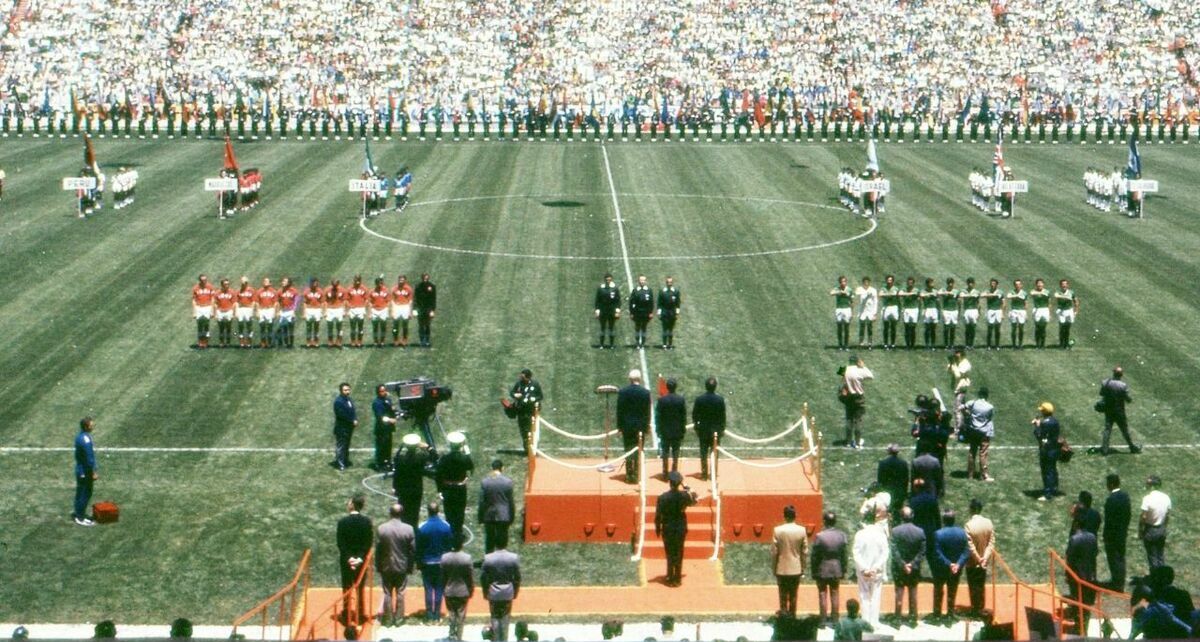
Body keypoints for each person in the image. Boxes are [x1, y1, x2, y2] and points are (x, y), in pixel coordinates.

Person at [655, 470, 698, 587]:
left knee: (669, 553)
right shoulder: (684, 496)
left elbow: (658, 515)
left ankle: (670, 576)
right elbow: (695, 498)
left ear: (669, 482)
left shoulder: (663, 497)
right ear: (679, 483)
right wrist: (686, 486)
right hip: (680, 527)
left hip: (668, 527)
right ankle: (677, 578)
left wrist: (658, 529)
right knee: (679, 552)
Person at [376, 503, 416, 627]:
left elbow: (378, 550)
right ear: (401, 513)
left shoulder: (382, 528)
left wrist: (378, 566)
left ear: (390, 513)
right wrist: (410, 567)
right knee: (400, 592)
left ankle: (388, 620)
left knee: (387, 592)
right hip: (402, 566)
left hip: (386, 566)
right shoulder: (408, 529)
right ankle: (399, 619)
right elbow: (412, 550)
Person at [337, 495, 374, 625]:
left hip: (346, 561)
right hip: (360, 561)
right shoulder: (366, 522)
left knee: (346, 588)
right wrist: (359, 558)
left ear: (352, 505)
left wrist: (349, 558)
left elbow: (341, 543)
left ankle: (346, 614)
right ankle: (360, 614)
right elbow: (368, 543)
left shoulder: (342, 522)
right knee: (360, 588)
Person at [416, 501, 454, 621]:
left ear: (428, 511)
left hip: (427, 562)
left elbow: (419, 547)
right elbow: (449, 545)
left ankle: (429, 615)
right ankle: (437, 615)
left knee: (428, 589)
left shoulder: (422, 527)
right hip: (441, 562)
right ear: (438, 511)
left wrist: (419, 562)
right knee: (439, 589)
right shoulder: (446, 526)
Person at [436, 432, 474, 545]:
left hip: (447, 488)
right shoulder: (464, 458)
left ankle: (450, 533)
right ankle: (458, 534)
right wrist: (467, 452)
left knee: (449, 512)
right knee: (460, 512)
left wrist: (439, 490)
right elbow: (471, 467)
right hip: (460, 489)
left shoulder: (444, 458)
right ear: (461, 445)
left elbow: (438, 475)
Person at [811, 511, 849, 624]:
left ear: (824, 521)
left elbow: (814, 556)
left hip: (822, 569)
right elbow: (844, 555)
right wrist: (844, 569)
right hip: (836, 568)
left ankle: (822, 620)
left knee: (822, 594)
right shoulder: (841, 535)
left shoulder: (820, 536)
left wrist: (814, 571)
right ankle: (835, 620)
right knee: (835, 593)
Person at [771, 505, 808, 616]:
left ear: (784, 516)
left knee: (782, 596)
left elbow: (774, 552)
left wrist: (774, 567)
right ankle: (792, 617)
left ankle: (783, 617)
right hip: (796, 568)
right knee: (793, 595)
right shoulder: (802, 530)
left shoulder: (777, 530)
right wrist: (803, 567)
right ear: (795, 516)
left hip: (781, 568)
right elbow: (804, 552)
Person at [932, 510, 969, 620]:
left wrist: (949, 564)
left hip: (942, 568)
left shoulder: (938, 534)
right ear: (954, 520)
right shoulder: (962, 533)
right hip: (956, 569)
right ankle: (950, 614)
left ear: (944, 520)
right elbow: (966, 551)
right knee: (952, 591)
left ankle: (937, 614)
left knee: (939, 590)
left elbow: (937, 552)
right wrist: (958, 564)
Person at [853, 518, 890, 627]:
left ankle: (865, 622)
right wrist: (875, 567)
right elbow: (885, 553)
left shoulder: (860, 534)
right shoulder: (881, 535)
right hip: (876, 572)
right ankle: (874, 622)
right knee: (875, 596)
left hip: (863, 572)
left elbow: (856, 553)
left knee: (864, 596)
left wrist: (864, 568)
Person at [480, 543, 521, 641]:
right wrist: (515, 592)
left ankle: (496, 639)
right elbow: (517, 578)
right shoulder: (513, 558)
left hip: (493, 593)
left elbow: (483, 578)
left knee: (494, 617)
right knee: (505, 618)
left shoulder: (488, 558)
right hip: (507, 593)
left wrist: (485, 593)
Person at [891, 507, 926, 622]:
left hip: (899, 568)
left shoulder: (895, 531)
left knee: (899, 593)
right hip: (914, 568)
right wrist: (912, 564)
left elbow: (894, 551)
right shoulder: (920, 532)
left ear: (901, 517)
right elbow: (922, 551)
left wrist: (903, 564)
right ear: (912, 516)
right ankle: (912, 618)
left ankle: (897, 618)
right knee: (913, 592)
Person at [616, 368, 651, 483]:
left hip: (627, 426)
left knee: (628, 449)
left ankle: (629, 474)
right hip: (640, 426)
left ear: (630, 379)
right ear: (639, 379)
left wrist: (619, 427)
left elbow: (620, 411)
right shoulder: (645, 393)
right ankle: (636, 474)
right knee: (638, 450)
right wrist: (647, 426)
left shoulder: (623, 392)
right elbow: (647, 412)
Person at [1065, 514, 1099, 628]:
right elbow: (1095, 552)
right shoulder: (1092, 537)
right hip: (1091, 575)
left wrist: (1067, 574)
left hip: (1077, 575)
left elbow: (1070, 558)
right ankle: (1085, 624)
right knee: (1087, 603)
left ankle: (1078, 625)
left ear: (1076, 524)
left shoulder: (1074, 539)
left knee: (1077, 599)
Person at [964, 499, 996, 616]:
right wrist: (984, 558)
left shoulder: (968, 525)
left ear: (971, 509)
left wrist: (978, 559)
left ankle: (975, 609)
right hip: (984, 561)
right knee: (981, 584)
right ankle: (980, 608)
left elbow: (970, 546)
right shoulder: (988, 523)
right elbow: (991, 543)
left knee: (973, 586)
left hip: (972, 562)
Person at [1099, 366, 1140, 455]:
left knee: (1107, 429)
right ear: (1121, 375)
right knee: (1124, 430)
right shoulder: (1123, 385)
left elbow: (1101, 393)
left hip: (1108, 410)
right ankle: (1132, 447)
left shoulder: (1106, 382)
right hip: (1119, 411)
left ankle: (1104, 449)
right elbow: (1127, 399)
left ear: (1113, 373)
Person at [692, 376, 726, 480]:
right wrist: (721, 429)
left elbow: (695, 415)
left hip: (703, 430)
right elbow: (722, 417)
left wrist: (697, 426)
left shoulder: (699, 399)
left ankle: (704, 474)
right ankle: (713, 474)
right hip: (715, 431)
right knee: (715, 453)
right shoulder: (720, 400)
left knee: (703, 453)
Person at [392, 434, 429, 528]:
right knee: (415, 511)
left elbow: (396, 474)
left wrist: (395, 487)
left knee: (403, 511)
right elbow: (432, 457)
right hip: (416, 488)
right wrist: (426, 448)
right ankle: (413, 528)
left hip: (403, 488)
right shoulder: (420, 458)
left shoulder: (400, 459)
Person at [479, 459, 515, 554]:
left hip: (489, 514)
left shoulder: (485, 482)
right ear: (502, 468)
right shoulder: (508, 482)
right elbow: (510, 501)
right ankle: (502, 558)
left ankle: (489, 558)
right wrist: (512, 516)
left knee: (489, 539)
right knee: (502, 539)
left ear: (492, 468)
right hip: (503, 514)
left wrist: (480, 517)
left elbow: (482, 501)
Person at [441, 538, 474, 641]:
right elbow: (470, 577)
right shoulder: (467, 558)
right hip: (462, 591)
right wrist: (471, 589)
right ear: (462, 544)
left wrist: (444, 588)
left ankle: (451, 635)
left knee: (451, 613)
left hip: (449, 590)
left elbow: (443, 576)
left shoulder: (445, 558)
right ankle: (459, 636)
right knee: (461, 614)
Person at [1103, 473, 1131, 590]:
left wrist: (1106, 535)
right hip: (1122, 533)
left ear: (1111, 484)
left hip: (1112, 535)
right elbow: (1128, 515)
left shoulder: (1111, 500)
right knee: (1121, 557)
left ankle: (1116, 582)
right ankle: (1120, 581)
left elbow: (1108, 520)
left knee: (1113, 559)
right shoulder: (1125, 496)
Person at [961, 387, 995, 481]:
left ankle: (970, 474)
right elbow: (990, 418)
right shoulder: (990, 407)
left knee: (972, 452)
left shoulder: (973, 403)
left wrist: (967, 415)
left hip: (973, 431)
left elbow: (961, 408)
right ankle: (984, 475)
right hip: (984, 432)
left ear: (979, 394)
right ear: (987, 395)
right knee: (983, 453)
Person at [654, 378, 686, 477]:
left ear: (667, 387)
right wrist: (683, 430)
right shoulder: (680, 400)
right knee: (676, 452)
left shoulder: (661, 400)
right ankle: (674, 471)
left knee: (665, 452)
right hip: (677, 431)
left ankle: (665, 472)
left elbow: (658, 417)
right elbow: (683, 417)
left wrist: (658, 430)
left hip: (665, 431)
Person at [841, 355, 873, 448]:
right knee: (858, 420)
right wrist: (863, 367)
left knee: (849, 419)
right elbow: (871, 376)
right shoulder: (860, 370)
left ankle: (848, 441)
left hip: (848, 397)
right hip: (858, 397)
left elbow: (840, 375)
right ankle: (858, 442)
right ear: (857, 362)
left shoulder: (843, 368)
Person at [1139, 475, 1171, 570]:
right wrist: (1164, 527)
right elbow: (1167, 515)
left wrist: (1140, 530)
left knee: (1152, 555)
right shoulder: (1166, 498)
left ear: (1152, 486)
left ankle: (1155, 576)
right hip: (1161, 528)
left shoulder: (1147, 498)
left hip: (1150, 529)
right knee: (1160, 554)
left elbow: (1144, 516)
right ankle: (1162, 575)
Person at [508, 369, 543, 452]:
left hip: (531, 411)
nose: (521, 379)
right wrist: (515, 395)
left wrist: (533, 399)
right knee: (523, 429)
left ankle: (532, 446)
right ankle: (526, 446)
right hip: (521, 411)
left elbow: (540, 396)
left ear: (528, 377)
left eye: (523, 377)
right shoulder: (519, 384)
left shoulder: (535, 384)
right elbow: (512, 392)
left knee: (532, 429)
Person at [73, 417, 98, 526]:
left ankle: (78, 513)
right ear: (86, 426)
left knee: (80, 493)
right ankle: (80, 517)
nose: (93, 427)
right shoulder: (86, 440)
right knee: (85, 493)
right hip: (85, 471)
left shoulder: (80, 437)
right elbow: (89, 459)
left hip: (80, 470)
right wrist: (93, 472)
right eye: (91, 425)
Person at [1032, 402, 1060, 501]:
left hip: (1047, 450)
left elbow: (1039, 435)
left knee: (1046, 471)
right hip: (1055, 449)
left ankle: (1048, 493)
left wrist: (1037, 426)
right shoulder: (1055, 421)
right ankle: (1054, 488)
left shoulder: (1045, 423)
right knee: (1052, 469)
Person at [876, 444, 909, 516]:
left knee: (887, 509)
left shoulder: (883, 463)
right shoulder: (903, 463)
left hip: (887, 490)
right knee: (897, 510)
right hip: (899, 490)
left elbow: (880, 479)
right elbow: (906, 479)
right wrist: (904, 491)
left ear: (888, 452)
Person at [331, 383, 357, 470]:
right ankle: (340, 463)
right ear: (341, 391)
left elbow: (353, 411)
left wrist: (355, 418)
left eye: (348, 390)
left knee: (347, 445)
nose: (347, 391)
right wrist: (352, 420)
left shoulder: (349, 399)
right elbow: (341, 415)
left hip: (349, 427)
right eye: (345, 390)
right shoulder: (338, 402)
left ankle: (345, 460)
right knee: (341, 446)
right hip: (342, 428)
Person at [372, 385, 398, 472]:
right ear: (378, 392)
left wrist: (394, 410)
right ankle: (380, 464)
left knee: (388, 446)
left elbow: (392, 409)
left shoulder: (387, 400)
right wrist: (391, 420)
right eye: (382, 391)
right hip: (381, 429)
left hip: (388, 428)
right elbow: (380, 417)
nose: (384, 392)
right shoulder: (376, 403)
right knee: (381, 447)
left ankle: (387, 462)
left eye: (384, 390)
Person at [593, 272, 621, 349]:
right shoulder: (600, 288)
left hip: (612, 311)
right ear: (604, 280)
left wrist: (617, 311)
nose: (608, 281)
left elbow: (618, 301)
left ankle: (611, 344)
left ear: (611, 280)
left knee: (611, 327)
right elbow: (597, 301)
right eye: (607, 280)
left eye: (609, 280)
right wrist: (597, 311)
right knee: (602, 327)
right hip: (603, 311)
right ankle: (601, 344)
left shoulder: (615, 288)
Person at [947, 349, 972, 432]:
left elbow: (958, 375)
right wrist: (951, 364)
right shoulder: (955, 362)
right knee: (963, 408)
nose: (955, 354)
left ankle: (958, 429)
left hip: (962, 387)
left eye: (957, 353)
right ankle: (966, 425)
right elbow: (949, 372)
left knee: (957, 408)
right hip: (957, 387)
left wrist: (953, 364)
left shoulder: (965, 364)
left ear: (962, 354)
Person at [628, 274, 654, 348]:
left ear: (645, 281)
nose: (642, 281)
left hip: (646, 312)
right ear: (638, 281)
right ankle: (637, 342)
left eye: (643, 280)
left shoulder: (649, 290)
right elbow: (631, 302)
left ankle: (642, 342)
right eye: (641, 280)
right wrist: (632, 312)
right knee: (637, 327)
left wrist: (651, 312)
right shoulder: (635, 290)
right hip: (637, 312)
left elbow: (651, 302)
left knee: (644, 328)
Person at [656, 276, 681, 349]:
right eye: (668, 282)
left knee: (670, 329)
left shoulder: (676, 292)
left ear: (672, 283)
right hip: (664, 313)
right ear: (666, 283)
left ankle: (670, 344)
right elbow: (659, 303)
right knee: (664, 329)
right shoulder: (662, 291)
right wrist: (659, 313)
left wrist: (677, 313)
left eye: (670, 282)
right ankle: (664, 344)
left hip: (672, 313)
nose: (669, 284)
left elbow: (678, 303)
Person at [1054, 279, 1080, 348]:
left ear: (1068, 285)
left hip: (1069, 311)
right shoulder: (1058, 292)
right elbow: (1056, 296)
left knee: (1067, 328)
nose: (1064, 285)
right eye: (1062, 284)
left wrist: (1076, 311)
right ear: (1060, 285)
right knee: (1062, 328)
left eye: (1065, 284)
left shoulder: (1071, 292)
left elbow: (1076, 301)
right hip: (1061, 311)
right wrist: (1067, 297)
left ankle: (1066, 343)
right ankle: (1061, 343)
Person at [191, 274, 215, 348]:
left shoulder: (210, 287)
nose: (204, 281)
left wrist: (212, 310)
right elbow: (194, 300)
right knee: (200, 325)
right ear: (199, 280)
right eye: (202, 280)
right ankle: (200, 342)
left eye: (205, 280)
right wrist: (194, 312)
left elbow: (212, 299)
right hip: (199, 307)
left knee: (206, 324)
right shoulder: (195, 288)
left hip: (207, 307)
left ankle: (206, 342)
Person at [413, 273, 436, 347]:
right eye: (424, 278)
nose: (425, 280)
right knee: (421, 325)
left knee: (427, 325)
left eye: (426, 278)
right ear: (422, 278)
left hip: (428, 308)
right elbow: (415, 298)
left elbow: (433, 299)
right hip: (420, 308)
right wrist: (414, 309)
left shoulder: (432, 286)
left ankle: (427, 340)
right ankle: (422, 340)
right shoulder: (418, 286)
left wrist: (432, 310)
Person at [390, 274, 414, 347]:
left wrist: (410, 311)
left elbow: (410, 300)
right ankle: (395, 340)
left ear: (405, 280)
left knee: (405, 324)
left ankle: (404, 339)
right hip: (397, 306)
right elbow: (392, 300)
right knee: (395, 325)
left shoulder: (408, 289)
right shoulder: (394, 288)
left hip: (405, 306)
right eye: (400, 280)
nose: (401, 281)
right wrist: (392, 311)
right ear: (398, 280)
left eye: (402, 280)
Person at [855, 276, 878, 348]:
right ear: (863, 282)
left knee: (869, 327)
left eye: (867, 282)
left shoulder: (873, 290)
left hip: (870, 311)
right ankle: (861, 342)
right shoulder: (859, 289)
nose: (866, 283)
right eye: (865, 282)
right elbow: (857, 294)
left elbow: (875, 301)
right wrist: (866, 294)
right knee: (862, 326)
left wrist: (874, 313)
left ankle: (870, 343)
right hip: (862, 311)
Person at [830, 275, 853, 350]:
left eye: (844, 281)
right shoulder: (837, 288)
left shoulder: (849, 289)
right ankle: (840, 345)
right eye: (842, 282)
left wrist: (852, 312)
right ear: (839, 282)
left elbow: (852, 300)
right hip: (839, 309)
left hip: (847, 309)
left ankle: (846, 345)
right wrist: (839, 292)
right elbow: (831, 293)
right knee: (839, 327)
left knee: (846, 327)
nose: (843, 283)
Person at [346, 275, 369, 348]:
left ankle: (359, 342)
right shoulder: (349, 289)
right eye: (356, 280)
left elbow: (367, 300)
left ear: (360, 280)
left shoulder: (364, 288)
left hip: (360, 309)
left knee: (360, 326)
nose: (357, 282)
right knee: (352, 326)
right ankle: (353, 342)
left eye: (358, 280)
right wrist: (349, 306)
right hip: (352, 309)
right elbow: (346, 300)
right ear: (354, 280)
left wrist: (363, 307)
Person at [255, 277, 278, 348]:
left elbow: (275, 303)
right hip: (262, 310)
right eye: (264, 281)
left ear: (270, 283)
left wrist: (274, 311)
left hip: (270, 309)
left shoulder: (274, 291)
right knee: (262, 326)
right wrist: (257, 311)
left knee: (270, 326)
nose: (265, 282)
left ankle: (269, 342)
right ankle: (263, 342)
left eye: (267, 281)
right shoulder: (259, 291)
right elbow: (257, 302)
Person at [981, 279, 1004, 350]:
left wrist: (1002, 313)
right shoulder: (988, 291)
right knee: (990, 328)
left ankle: (997, 345)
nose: (992, 285)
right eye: (991, 283)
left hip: (998, 310)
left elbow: (1003, 302)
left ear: (997, 284)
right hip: (990, 310)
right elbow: (982, 295)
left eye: (994, 283)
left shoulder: (1000, 292)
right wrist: (992, 295)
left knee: (997, 329)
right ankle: (988, 345)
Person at [369, 277, 392, 347]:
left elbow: (388, 301)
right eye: (378, 283)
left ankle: (382, 341)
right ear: (375, 284)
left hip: (383, 310)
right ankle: (375, 342)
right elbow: (370, 302)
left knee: (383, 326)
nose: (379, 285)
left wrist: (386, 309)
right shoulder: (372, 291)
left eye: (380, 283)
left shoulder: (386, 291)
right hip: (374, 310)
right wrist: (370, 312)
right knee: (375, 327)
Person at [235, 276, 257, 348]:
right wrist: (236, 311)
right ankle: (241, 342)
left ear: (247, 282)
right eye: (242, 282)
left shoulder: (251, 290)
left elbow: (253, 301)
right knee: (240, 324)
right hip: (241, 308)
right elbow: (236, 302)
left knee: (249, 324)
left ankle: (249, 341)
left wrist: (252, 310)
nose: (243, 283)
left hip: (248, 308)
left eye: (245, 282)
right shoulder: (238, 291)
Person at [324, 279, 347, 347]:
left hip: (339, 309)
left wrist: (344, 310)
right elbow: (325, 301)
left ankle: (339, 341)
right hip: (330, 309)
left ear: (338, 284)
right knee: (330, 326)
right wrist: (325, 311)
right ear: (331, 284)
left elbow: (344, 301)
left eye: (336, 285)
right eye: (333, 285)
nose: (334, 286)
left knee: (339, 326)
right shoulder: (327, 290)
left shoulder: (342, 290)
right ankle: (330, 341)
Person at [879, 274, 900, 350]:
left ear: (893, 281)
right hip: (886, 307)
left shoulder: (896, 288)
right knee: (886, 327)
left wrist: (886, 295)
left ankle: (893, 344)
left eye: (890, 280)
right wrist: (890, 294)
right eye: (888, 280)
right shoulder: (883, 288)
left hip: (894, 307)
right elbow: (880, 294)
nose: (889, 282)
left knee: (893, 327)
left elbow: (896, 294)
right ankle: (885, 344)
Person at [1029, 278, 1051, 349]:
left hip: (1045, 309)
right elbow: (1032, 294)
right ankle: (1037, 344)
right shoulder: (1033, 291)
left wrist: (1049, 313)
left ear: (1043, 284)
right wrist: (1041, 293)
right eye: (1038, 283)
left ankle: (1043, 344)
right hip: (1037, 310)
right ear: (1036, 284)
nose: (1040, 285)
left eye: (1041, 283)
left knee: (1043, 327)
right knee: (1037, 328)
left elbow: (1049, 303)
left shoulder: (1047, 292)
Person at [939, 277, 961, 349]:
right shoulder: (943, 290)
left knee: (953, 328)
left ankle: (952, 344)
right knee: (946, 328)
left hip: (954, 311)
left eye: (951, 283)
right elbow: (938, 293)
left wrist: (959, 311)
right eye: (949, 283)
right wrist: (947, 293)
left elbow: (959, 301)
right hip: (946, 310)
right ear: (947, 283)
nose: (950, 284)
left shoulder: (956, 291)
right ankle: (946, 344)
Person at [919, 277, 940, 349]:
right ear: (927, 284)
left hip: (934, 310)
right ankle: (927, 344)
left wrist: (938, 311)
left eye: (932, 283)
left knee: (933, 328)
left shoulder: (936, 291)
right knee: (927, 328)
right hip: (927, 309)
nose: (933, 284)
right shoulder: (923, 291)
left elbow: (938, 301)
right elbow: (921, 297)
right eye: (931, 283)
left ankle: (933, 345)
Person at [277, 276, 299, 348]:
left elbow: (296, 302)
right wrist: (278, 311)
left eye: (284, 281)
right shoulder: (280, 291)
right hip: (283, 311)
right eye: (282, 281)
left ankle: (291, 343)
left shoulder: (294, 291)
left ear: (289, 283)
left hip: (290, 311)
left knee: (291, 327)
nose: (282, 282)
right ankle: (286, 343)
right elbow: (278, 302)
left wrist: (293, 311)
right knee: (284, 328)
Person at [302, 278, 324, 348]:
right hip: (309, 310)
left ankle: (316, 342)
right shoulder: (306, 291)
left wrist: (321, 312)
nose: (315, 284)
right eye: (314, 283)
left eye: (316, 283)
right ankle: (308, 342)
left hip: (317, 310)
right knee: (308, 326)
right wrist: (304, 313)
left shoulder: (320, 291)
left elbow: (322, 302)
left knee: (316, 326)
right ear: (311, 283)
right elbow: (305, 303)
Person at [214, 278, 236, 347]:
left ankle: (228, 342)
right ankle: (221, 342)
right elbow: (215, 303)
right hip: (220, 311)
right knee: (221, 327)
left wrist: (233, 312)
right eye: (225, 284)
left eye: (228, 284)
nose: (227, 285)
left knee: (228, 327)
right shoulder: (217, 293)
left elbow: (234, 303)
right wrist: (215, 313)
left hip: (228, 311)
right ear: (222, 285)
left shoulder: (232, 292)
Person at [900, 277, 920, 349]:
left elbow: (917, 294)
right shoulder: (904, 289)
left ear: (913, 283)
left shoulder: (916, 290)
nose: (910, 284)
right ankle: (907, 344)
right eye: (909, 283)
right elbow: (900, 294)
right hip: (906, 309)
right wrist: (910, 294)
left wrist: (907, 294)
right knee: (907, 327)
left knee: (913, 328)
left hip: (914, 309)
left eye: (911, 283)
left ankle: (912, 344)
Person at [960, 278, 981, 348]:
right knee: (967, 328)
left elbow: (978, 303)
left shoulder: (977, 292)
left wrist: (979, 312)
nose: (970, 284)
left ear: (974, 284)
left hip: (974, 310)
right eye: (969, 283)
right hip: (967, 310)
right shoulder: (963, 291)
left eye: (971, 283)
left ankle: (971, 344)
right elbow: (961, 297)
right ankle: (967, 344)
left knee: (973, 327)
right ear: (967, 283)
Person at [1006, 279, 1027, 348]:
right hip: (1014, 310)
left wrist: (1026, 313)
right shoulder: (1012, 292)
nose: (1018, 286)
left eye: (1019, 284)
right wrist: (1017, 296)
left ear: (1021, 285)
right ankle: (1013, 344)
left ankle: (1020, 344)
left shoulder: (1024, 293)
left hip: (1021, 311)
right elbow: (1008, 296)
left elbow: (1025, 303)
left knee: (1021, 328)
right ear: (1014, 285)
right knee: (1013, 328)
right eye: (1016, 284)